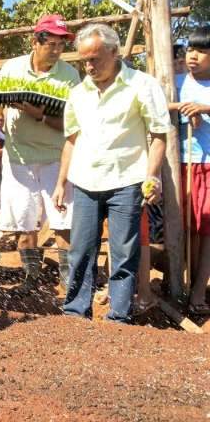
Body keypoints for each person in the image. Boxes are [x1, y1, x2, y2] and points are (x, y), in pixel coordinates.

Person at [52, 23, 171, 323]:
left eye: (95, 58)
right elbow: (71, 139)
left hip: (127, 179)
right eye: (84, 61)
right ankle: (76, 312)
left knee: (123, 253)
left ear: (115, 52)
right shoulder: (78, 93)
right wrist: (61, 182)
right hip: (86, 181)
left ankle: (119, 317)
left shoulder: (142, 85)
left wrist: (152, 175)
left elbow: (159, 134)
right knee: (80, 251)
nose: (89, 66)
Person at [0, 14, 81, 289]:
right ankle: (31, 278)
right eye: (50, 44)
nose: (56, 50)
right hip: (18, 158)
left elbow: (74, 123)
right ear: (35, 42)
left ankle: (69, 281)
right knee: (25, 221)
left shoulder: (69, 75)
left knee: (63, 221)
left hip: (56, 157)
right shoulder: (11, 68)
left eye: (60, 45)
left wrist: (41, 116)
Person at [170, 25, 210, 315]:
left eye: (202, 51)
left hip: (208, 164)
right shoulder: (178, 80)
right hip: (180, 163)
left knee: (206, 229)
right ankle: (182, 284)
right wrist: (183, 107)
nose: (193, 56)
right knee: (185, 228)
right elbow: (158, 102)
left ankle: (198, 290)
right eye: (191, 50)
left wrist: (203, 109)